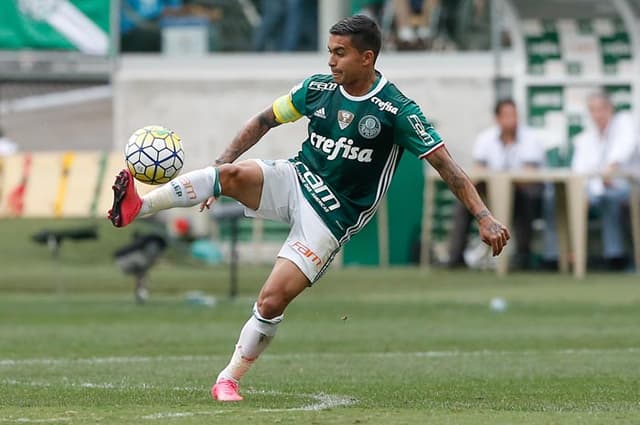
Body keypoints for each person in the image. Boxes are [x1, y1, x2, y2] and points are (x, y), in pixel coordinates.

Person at [108, 15, 510, 401]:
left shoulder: (396, 111)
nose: (331, 60)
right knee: (228, 175)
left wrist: (483, 215)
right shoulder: (317, 88)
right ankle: (138, 206)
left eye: (340, 53)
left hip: (333, 216)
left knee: (270, 301)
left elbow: (446, 166)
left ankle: (228, 379)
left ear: (367, 58)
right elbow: (264, 120)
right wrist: (221, 161)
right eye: (329, 51)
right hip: (296, 179)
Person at [543, 92, 639, 270]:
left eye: (601, 109)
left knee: (611, 197)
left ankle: (615, 257)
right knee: (556, 199)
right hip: (596, 190)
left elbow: (624, 151)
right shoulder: (586, 138)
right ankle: (556, 257)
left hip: (630, 187)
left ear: (610, 109)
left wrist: (608, 173)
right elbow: (579, 171)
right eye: (593, 110)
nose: (598, 114)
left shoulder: (624, 122)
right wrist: (585, 192)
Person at [447, 99, 544, 269]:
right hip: (490, 194)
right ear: (497, 118)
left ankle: (523, 256)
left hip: (522, 194)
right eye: (506, 115)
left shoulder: (531, 138)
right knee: (465, 200)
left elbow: (531, 175)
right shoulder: (485, 138)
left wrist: (506, 182)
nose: (511, 120)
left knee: (525, 198)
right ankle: (455, 256)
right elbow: (478, 172)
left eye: (514, 115)